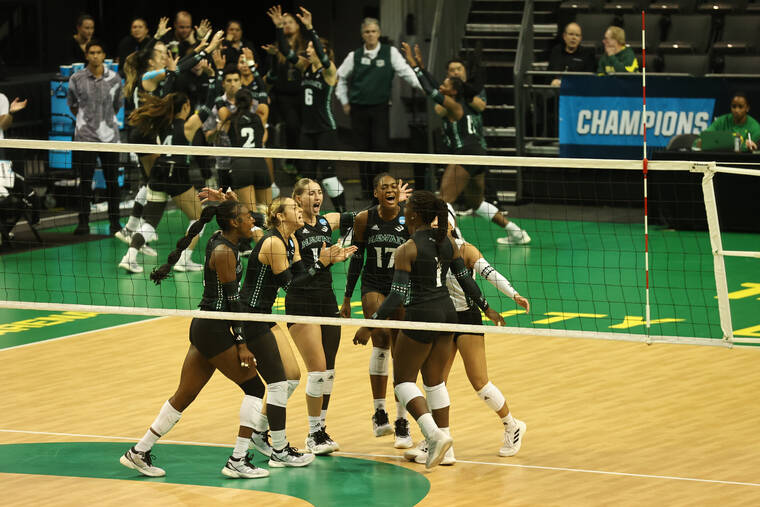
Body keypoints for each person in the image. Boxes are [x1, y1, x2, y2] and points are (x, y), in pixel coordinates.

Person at [353, 190, 506, 469]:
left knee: (402, 382)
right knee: (434, 382)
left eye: (407, 206)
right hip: (448, 315)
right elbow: (465, 280)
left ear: (412, 215)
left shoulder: (407, 249)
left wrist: (369, 324)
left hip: (422, 315)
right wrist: (486, 307)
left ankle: (434, 434)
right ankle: (446, 449)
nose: (404, 209)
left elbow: (397, 296)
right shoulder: (447, 242)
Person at [120, 199, 272, 479]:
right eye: (247, 216)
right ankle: (238, 460)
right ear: (234, 223)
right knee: (255, 389)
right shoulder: (225, 252)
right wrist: (241, 344)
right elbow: (232, 301)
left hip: (204, 326)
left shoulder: (219, 237)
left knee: (185, 395)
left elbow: (255, 220)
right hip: (213, 329)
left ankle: (139, 452)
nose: (253, 219)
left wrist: (227, 200)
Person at [207, 189, 355, 464]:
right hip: (250, 315)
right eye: (293, 208)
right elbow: (290, 287)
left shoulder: (290, 242)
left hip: (264, 315)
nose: (300, 210)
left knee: (291, 377)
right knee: (279, 382)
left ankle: (263, 433)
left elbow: (302, 278)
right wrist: (321, 264)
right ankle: (279, 449)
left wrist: (326, 263)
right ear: (280, 216)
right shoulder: (274, 243)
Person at [405, 212, 529, 465]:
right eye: (434, 223)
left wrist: (513, 295)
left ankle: (512, 425)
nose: (439, 227)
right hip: (444, 317)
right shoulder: (427, 251)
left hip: (468, 318)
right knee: (436, 382)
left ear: (452, 225)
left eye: (443, 223)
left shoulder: (465, 249)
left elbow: (491, 274)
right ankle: (435, 439)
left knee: (479, 382)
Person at [402, 42, 530, 245]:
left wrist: (415, 68)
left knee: (443, 200)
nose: (441, 87)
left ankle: (457, 243)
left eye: (445, 85)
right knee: (476, 202)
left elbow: (430, 90)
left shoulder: (452, 105)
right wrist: (422, 67)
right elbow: (437, 86)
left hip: (465, 152)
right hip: (478, 153)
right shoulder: (461, 101)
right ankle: (516, 232)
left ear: (452, 92)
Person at [118, 32, 226, 273]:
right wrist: (214, 69)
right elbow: (209, 102)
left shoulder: (160, 119)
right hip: (176, 174)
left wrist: (201, 49)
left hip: (157, 172)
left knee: (150, 221)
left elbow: (171, 80)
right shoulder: (188, 126)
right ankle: (184, 258)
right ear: (185, 107)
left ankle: (130, 254)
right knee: (201, 216)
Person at [285, 178, 357, 454]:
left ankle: (321, 429)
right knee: (316, 370)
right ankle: (313, 434)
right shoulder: (292, 230)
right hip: (301, 302)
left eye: (319, 192)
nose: (317, 197)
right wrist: (323, 261)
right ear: (298, 198)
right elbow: (295, 278)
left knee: (328, 371)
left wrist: (343, 246)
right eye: (311, 193)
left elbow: (360, 218)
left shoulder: (326, 222)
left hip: (327, 299)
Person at [340, 173, 412, 448]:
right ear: (376, 193)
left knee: (400, 348)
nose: (391, 190)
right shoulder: (364, 219)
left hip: (400, 285)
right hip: (373, 284)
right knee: (380, 336)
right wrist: (347, 296)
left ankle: (402, 419)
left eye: (394, 187)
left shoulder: (408, 220)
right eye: (385, 187)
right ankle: (379, 410)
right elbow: (357, 258)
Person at [268, 5, 346, 212]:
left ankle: (343, 215)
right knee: (305, 180)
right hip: (307, 130)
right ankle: (306, 217)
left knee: (328, 178)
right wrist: (278, 28)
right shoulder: (304, 68)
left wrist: (310, 28)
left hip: (325, 129)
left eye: (312, 48)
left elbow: (322, 53)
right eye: (309, 47)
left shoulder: (329, 71)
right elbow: (286, 51)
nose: (308, 50)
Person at [336, 17, 422, 197]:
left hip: (380, 108)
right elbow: (340, 78)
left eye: (374, 31)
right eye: (367, 32)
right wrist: (344, 101)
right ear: (362, 35)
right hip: (358, 109)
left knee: (381, 147)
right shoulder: (355, 56)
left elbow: (406, 73)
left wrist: (426, 87)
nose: (370, 35)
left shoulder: (390, 53)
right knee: (361, 150)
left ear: (379, 33)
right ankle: (367, 190)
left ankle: (383, 189)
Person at [67, 39, 124, 236]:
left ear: (103, 55)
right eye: (91, 52)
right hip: (85, 138)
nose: (95, 56)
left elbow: (117, 105)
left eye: (99, 52)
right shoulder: (76, 78)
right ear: (86, 55)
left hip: (110, 138)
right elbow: (73, 104)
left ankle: (115, 223)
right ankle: (83, 223)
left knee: (112, 183)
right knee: (85, 181)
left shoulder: (115, 78)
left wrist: (104, 122)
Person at [217, 88, 272, 219]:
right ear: (252, 102)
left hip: (241, 165)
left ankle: (254, 237)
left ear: (235, 102)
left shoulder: (230, 119)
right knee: (268, 214)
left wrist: (215, 80)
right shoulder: (259, 116)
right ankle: (271, 239)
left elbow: (219, 105)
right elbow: (264, 101)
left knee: (250, 217)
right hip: (260, 164)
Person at [262, 9, 305, 174]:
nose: (287, 25)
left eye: (290, 22)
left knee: (303, 130)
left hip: (302, 94)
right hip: (284, 96)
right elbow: (270, 74)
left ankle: (302, 165)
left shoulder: (304, 45)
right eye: (284, 23)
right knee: (292, 126)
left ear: (298, 25)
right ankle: (291, 160)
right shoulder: (277, 47)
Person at [694, 92, 760, 151]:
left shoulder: (755, 127)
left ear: (747, 108)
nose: (736, 110)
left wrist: (751, 147)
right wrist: (700, 142)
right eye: (734, 106)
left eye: (740, 107)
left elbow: (754, 149)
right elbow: (700, 140)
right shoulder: (721, 121)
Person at [548, 22, 596, 86]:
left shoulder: (587, 55)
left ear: (580, 38)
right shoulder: (556, 51)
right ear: (564, 36)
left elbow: (589, 80)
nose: (574, 38)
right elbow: (548, 75)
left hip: (577, 91)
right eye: (571, 34)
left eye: (577, 35)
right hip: (557, 91)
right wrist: (553, 81)